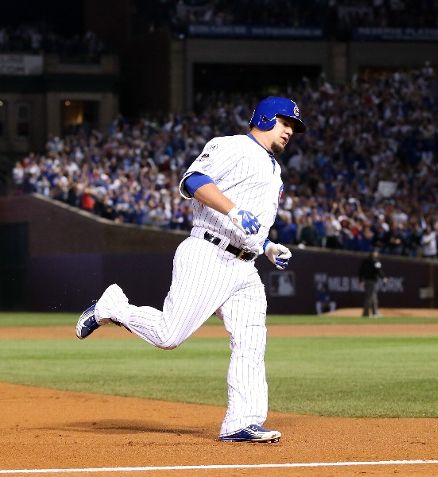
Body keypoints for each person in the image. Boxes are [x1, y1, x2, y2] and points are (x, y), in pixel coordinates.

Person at [74, 96, 306, 443]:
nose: (289, 131)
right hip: (208, 253)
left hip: (245, 266)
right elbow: (193, 181)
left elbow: (250, 225)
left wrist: (267, 247)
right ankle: (113, 308)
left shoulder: (274, 169)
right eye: (285, 122)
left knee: (251, 342)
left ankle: (242, 422)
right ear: (265, 118)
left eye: (293, 127)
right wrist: (232, 210)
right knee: (168, 335)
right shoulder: (233, 146)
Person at [359, 249, 385, 317]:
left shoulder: (365, 261)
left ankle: (375, 312)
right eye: (375, 252)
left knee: (373, 297)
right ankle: (366, 313)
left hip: (367, 281)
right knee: (369, 297)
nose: (376, 254)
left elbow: (361, 271)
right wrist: (383, 277)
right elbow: (379, 270)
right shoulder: (376, 261)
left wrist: (361, 280)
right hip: (372, 281)